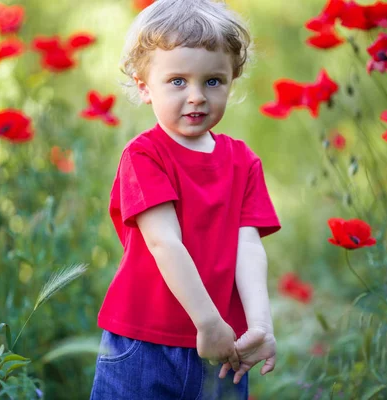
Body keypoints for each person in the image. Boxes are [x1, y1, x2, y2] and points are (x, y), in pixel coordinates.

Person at [90, 0, 281, 398]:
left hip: (225, 347)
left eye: (213, 81)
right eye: (177, 81)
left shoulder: (243, 161)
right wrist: (207, 321)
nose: (196, 96)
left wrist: (260, 325)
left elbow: (248, 247)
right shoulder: (145, 156)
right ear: (144, 86)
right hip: (145, 341)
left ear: (232, 80)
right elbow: (164, 242)